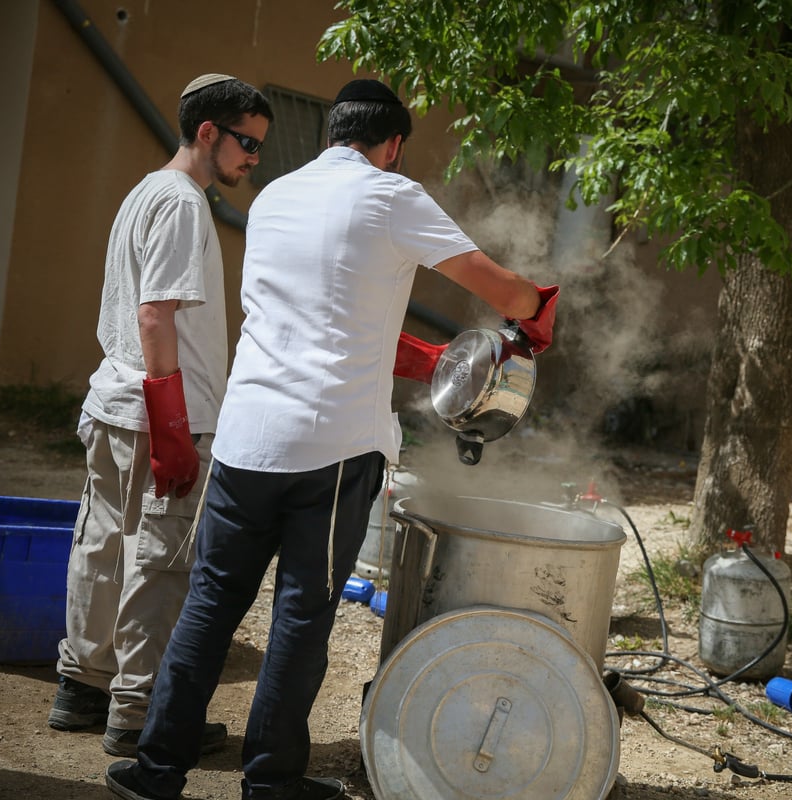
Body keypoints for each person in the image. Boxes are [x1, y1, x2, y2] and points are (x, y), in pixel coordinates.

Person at [104, 78, 558, 800]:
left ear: (330, 135)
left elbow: (327, 313)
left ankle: (155, 772)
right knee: (301, 615)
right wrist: (539, 311)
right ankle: (271, 782)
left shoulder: (275, 196)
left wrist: (421, 357)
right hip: (332, 452)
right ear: (393, 146)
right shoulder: (392, 196)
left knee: (210, 605)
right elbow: (503, 291)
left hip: (244, 439)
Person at [48, 74, 274, 759]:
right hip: (156, 414)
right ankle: (137, 711)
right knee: (160, 561)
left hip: (115, 404)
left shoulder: (145, 190)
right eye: (246, 144)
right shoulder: (182, 203)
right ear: (208, 132)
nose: (252, 160)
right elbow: (154, 317)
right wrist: (174, 428)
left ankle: (80, 686)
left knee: (103, 546)